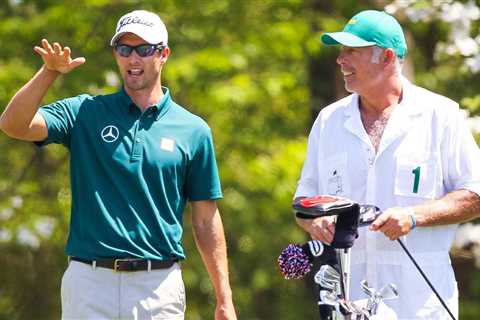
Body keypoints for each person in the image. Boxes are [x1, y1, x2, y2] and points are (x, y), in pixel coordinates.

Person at [0, 9, 237, 320]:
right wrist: (49, 72)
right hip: (89, 281)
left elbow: (206, 221)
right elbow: (13, 124)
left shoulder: (193, 130)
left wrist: (224, 298)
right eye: (124, 49)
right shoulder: (85, 111)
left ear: (163, 54)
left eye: (143, 49)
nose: (132, 59)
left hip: (158, 284)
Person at [294, 9, 480, 319]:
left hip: (421, 303)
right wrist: (314, 222)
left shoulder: (440, 115)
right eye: (341, 51)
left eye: (352, 50)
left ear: (387, 56)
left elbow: (476, 194)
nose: (341, 60)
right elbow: (304, 201)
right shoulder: (328, 121)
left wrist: (414, 216)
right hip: (348, 302)